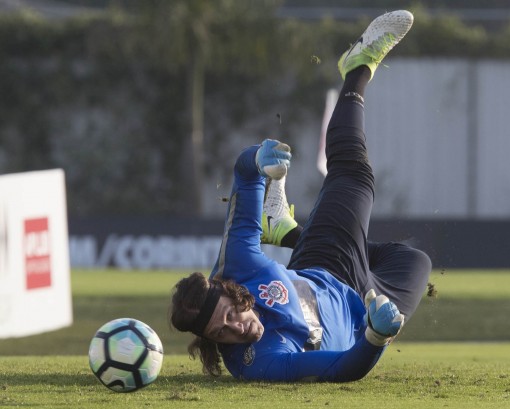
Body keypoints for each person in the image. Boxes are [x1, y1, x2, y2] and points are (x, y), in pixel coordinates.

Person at [170, 10, 431, 382]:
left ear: (232, 291)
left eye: (229, 316)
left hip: (328, 265)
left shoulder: (238, 264)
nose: (234, 331)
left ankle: (358, 69)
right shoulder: (257, 361)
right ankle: (287, 231)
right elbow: (342, 368)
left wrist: (259, 159)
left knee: (354, 173)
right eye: (219, 334)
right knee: (413, 260)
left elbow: (244, 175)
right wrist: (375, 337)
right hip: (362, 316)